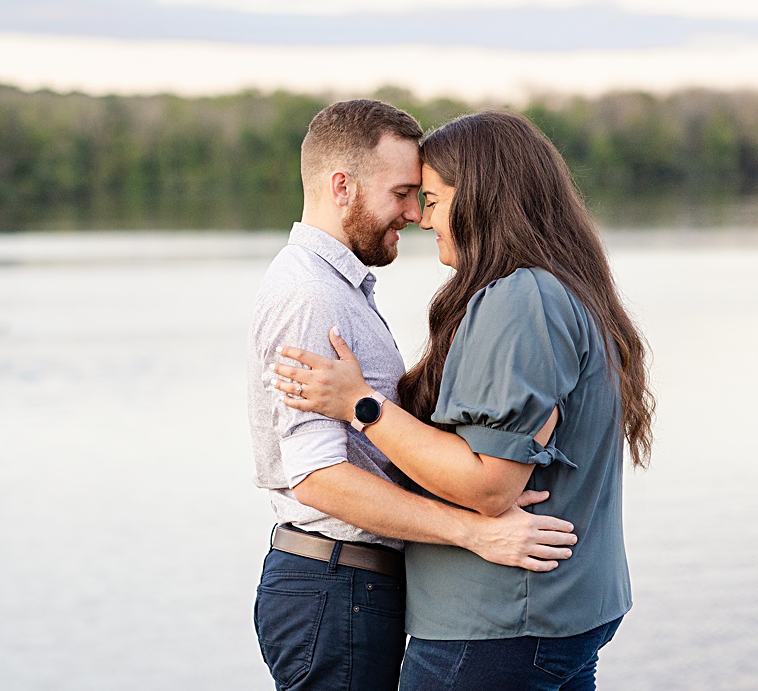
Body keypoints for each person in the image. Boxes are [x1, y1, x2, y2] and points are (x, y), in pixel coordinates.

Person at [269, 109, 654, 690]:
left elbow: (490, 482)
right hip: (542, 611)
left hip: (495, 620)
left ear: (480, 198)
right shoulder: (560, 290)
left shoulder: (521, 299)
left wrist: (362, 406)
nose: (422, 219)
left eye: (431, 198)